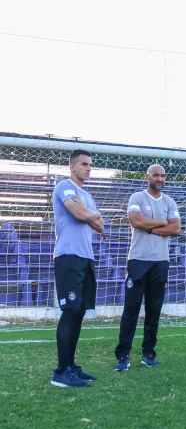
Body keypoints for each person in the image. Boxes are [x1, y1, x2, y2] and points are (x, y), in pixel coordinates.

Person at [115, 165, 181, 371]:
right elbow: (135, 221)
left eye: (162, 175)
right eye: (155, 175)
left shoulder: (169, 201)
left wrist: (149, 227)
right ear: (147, 177)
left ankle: (148, 353)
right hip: (138, 260)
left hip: (161, 261)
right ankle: (123, 355)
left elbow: (176, 228)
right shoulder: (137, 197)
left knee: (154, 310)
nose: (159, 178)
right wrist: (161, 223)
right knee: (131, 309)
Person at [51, 149, 104, 388]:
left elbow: (100, 225)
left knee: (79, 312)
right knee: (70, 311)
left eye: (90, 164)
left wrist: (90, 213)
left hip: (86, 258)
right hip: (68, 256)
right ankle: (61, 372)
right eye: (84, 164)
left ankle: (71, 367)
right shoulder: (64, 187)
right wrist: (88, 214)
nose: (88, 168)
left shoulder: (87, 195)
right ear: (72, 166)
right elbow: (79, 213)